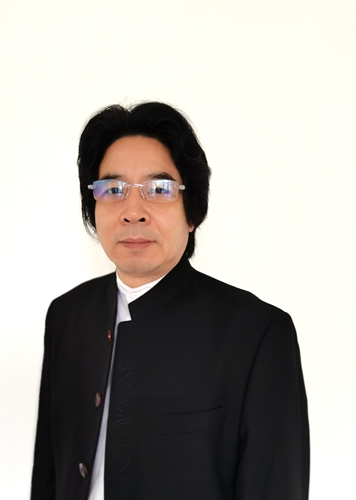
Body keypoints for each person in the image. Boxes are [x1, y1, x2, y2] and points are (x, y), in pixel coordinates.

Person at [31, 102, 309, 500]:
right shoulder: (68, 315)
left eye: (158, 190)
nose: (133, 212)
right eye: (113, 189)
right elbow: (48, 474)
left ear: (191, 212)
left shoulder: (257, 333)